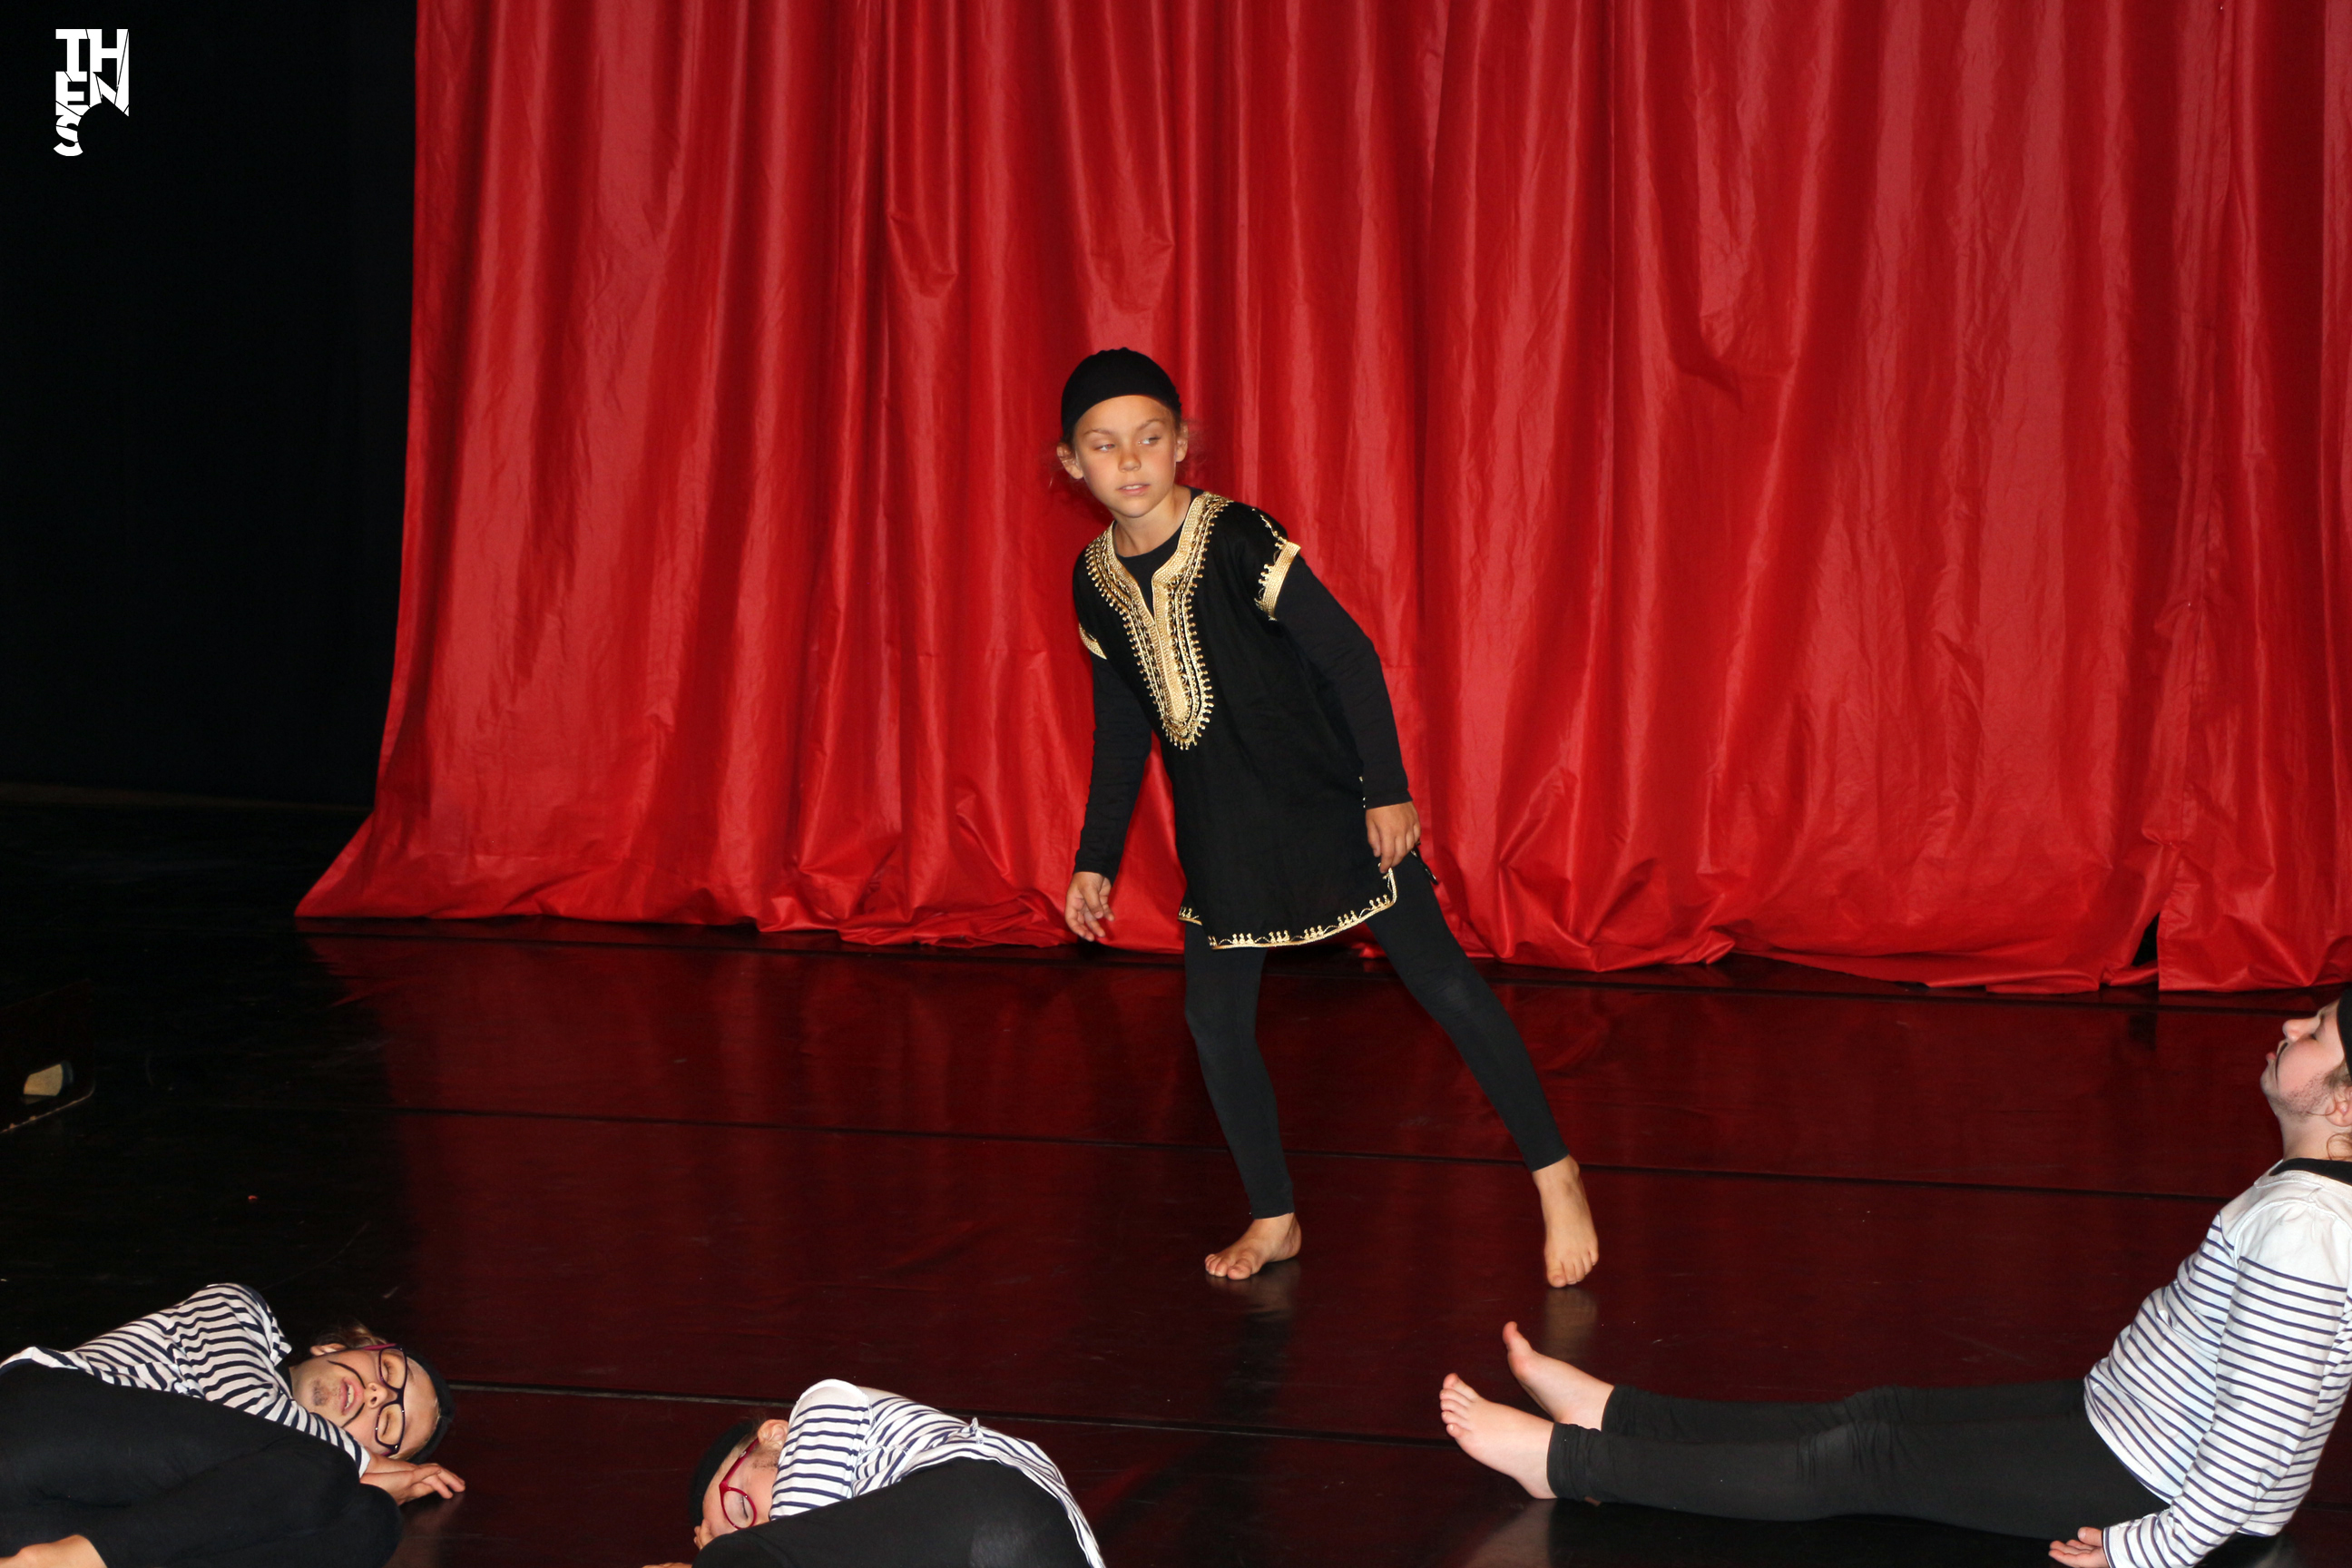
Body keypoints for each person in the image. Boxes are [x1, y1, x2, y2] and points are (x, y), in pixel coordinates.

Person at [1436, 995, 2352, 1568]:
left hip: (2151, 1482)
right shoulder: (2305, 1200)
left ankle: (1568, 1464)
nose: (2289, 1029)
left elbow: (2260, 1434)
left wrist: (2151, 1549)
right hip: (2121, 1422)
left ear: (2343, 1105)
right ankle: (1617, 1416)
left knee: (1859, 1460)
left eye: (2315, 1035)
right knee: (1877, 1414)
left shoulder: (2305, 1232)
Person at [1054, 347, 1599, 1285]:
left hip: (1330, 806)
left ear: (1182, 444)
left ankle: (1557, 1174)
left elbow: (1348, 657)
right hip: (1225, 834)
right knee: (1215, 1025)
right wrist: (1094, 856)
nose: (1130, 460)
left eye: (1149, 437)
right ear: (1073, 463)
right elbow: (1121, 728)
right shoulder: (1093, 579)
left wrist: (1386, 790)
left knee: (1446, 985)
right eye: (1104, 445)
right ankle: (1275, 1216)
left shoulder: (1237, 538)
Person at [0, 1283, 463, 1567]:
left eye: (387, 1425)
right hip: (35, 1431)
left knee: (371, 1518)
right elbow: (246, 1405)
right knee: (318, 1465)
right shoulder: (240, 1310)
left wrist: (365, 1489)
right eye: (389, 1372)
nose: (379, 1395)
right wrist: (360, 1464)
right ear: (337, 1348)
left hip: (58, 1526)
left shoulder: (305, 1479)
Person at [645, 1378, 1102, 1567]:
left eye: (743, 1508)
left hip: (985, 1495)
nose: (762, 1523)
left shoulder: (822, 1403)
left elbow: (792, 1535)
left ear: (774, 1436)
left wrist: (724, 1556)